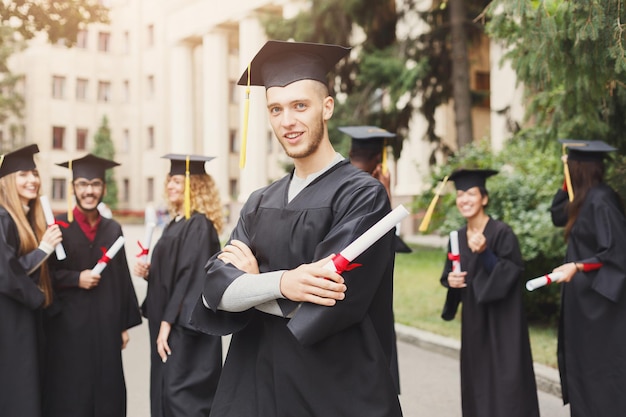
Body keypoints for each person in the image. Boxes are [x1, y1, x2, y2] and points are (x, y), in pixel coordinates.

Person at [189, 40, 403, 417]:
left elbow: (325, 301)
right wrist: (282, 283)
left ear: (327, 107)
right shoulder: (258, 201)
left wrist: (250, 287)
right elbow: (213, 291)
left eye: (300, 106)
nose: (287, 121)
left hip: (334, 392)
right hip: (256, 390)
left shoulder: (362, 196)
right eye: (276, 109)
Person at [43, 154, 142, 417]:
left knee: (107, 387)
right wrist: (76, 278)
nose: (89, 190)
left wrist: (123, 325)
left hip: (106, 326)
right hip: (68, 326)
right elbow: (45, 276)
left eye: (96, 183)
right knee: (71, 389)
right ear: (73, 187)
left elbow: (121, 278)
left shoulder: (112, 228)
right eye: (83, 184)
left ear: (104, 188)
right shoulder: (57, 227)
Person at [439, 168, 539, 417]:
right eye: (460, 194)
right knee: (478, 380)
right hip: (474, 321)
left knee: (508, 383)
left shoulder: (502, 233)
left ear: (484, 198)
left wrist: (485, 252)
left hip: (503, 321)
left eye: (471, 193)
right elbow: (450, 274)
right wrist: (451, 280)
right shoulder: (457, 237)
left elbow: (510, 274)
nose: (464, 199)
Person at [133, 154, 223, 417]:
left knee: (180, 397)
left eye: (177, 181)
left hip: (184, 328)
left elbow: (190, 277)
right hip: (170, 323)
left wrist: (166, 323)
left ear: (195, 185)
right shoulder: (176, 223)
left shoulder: (200, 225)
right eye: (169, 181)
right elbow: (174, 272)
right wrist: (152, 272)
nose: (170, 186)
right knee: (165, 392)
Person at [549, 139, 626, 416]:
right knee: (583, 366)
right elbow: (557, 215)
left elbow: (616, 252)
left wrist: (577, 266)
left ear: (579, 168)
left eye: (570, 166)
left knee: (600, 370)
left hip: (600, 307)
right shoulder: (582, 198)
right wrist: (565, 180)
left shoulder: (602, 199)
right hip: (584, 305)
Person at [0, 144, 62, 417]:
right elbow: (5, 271)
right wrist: (43, 250)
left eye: (35, 174)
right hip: (10, 320)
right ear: (8, 180)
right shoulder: (3, 217)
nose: (32, 180)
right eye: (24, 174)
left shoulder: (28, 217)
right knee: (18, 390)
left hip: (24, 319)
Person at [339, 125, 412, 254]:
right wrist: (385, 189)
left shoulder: (334, 179)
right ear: (379, 158)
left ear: (350, 153)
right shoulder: (374, 190)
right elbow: (386, 232)